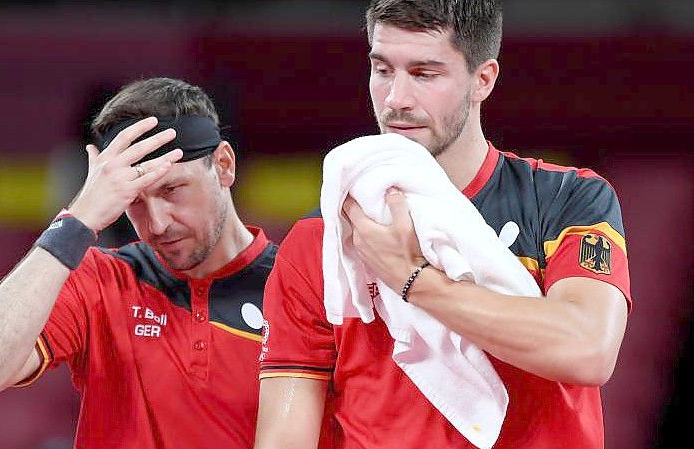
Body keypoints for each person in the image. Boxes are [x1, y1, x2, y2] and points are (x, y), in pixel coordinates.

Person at [254, 1, 631, 448]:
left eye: (424, 74)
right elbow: (285, 433)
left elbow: (587, 349)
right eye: (382, 70)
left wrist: (414, 280)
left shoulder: (568, 199)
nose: (396, 99)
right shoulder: (319, 240)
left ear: (483, 80)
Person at [0, 77, 277, 449]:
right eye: (135, 201)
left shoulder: (298, 285)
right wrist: (77, 220)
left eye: (171, 190)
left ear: (223, 165)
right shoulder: (101, 278)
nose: (157, 223)